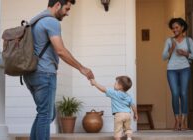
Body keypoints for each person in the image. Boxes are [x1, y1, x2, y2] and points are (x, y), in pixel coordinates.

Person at [23, 0, 94, 139]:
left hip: (30, 74)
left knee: (45, 113)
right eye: (66, 9)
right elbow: (60, 51)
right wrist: (82, 68)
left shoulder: (35, 20)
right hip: (44, 74)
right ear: (57, 5)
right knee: (45, 114)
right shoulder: (51, 22)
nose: (67, 13)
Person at [162, 18, 193, 131]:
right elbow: (163, 57)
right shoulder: (169, 41)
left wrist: (185, 53)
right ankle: (177, 120)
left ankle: (184, 120)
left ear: (182, 27)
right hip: (171, 69)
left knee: (183, 93)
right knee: (175, 94)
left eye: (176, 27)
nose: (174, 29)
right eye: (173, 28)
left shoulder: (188, 40)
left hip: (185, 69)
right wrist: (171, 49)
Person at [90, 76, 138, 140]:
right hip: (127, 114)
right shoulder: (129, 96)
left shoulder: (114, 93)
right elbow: (133, 106)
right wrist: (135, 114)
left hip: (119, 115)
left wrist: (95, 83)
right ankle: (129, 137)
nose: (114, 85)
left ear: (120, 86)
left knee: (117, 131)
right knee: (128, 128)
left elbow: (103, 89)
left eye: (115, 83)